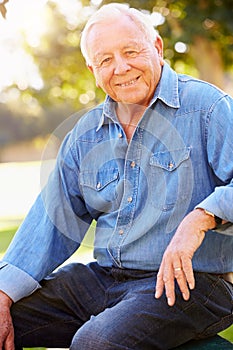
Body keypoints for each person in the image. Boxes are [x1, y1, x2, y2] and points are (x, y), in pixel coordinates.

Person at [0, 3, 232, 350]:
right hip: (106, 279)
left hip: (194, 282)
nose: (121, 68)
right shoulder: (85, 135)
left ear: (156, 48)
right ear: (93, 70)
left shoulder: (207, 107)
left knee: (94, 343)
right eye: (105, 60)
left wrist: (199, 219)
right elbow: (51, 219)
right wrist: (3, 293)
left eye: (130, 51)